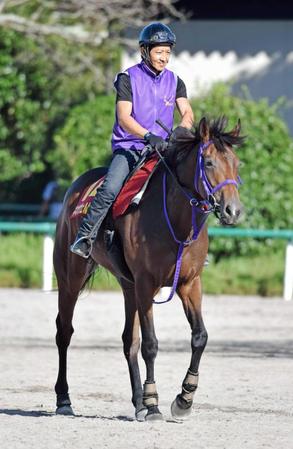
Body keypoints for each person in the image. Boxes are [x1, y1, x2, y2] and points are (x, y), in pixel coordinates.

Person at [70, 22, 194, 258]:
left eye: (168, 52)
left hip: (164, 149)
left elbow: (187, 112)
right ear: (144, 51)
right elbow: (124, 118)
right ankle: (85, 236)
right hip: (131, 147)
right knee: (110, 188)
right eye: (159, 52)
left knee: (190, 183)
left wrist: (181, 130)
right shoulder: (127, 78)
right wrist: (148, 135)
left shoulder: (176, 81)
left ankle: (193, 245)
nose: (164, 58)